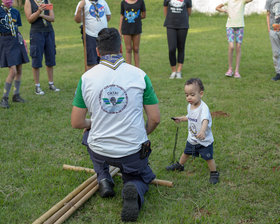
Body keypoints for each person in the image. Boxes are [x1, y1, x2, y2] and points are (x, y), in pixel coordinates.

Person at [71, 28, 160, 222]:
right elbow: (155, 118)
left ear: (97, 51)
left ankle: (103, 177)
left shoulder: (86, 78)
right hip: (132, 152)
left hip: (100, 151)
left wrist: (93, 123)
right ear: (120, 47)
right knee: (142, 177)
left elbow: (77, 122)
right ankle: (134, 188)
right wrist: (143, 133)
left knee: (88, 132)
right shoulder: (139, 75)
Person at [166, 78, 219, 185]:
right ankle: (180, 165)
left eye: (192, 95)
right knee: (186, 153)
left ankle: (214, 172)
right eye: (186, 95)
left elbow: (205, 120)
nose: (189, 97)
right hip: (192, 138)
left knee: (208, 158)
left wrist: (203, 131)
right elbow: (189, 117)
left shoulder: (204, 108)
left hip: (204, 140)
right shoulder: (190, 106)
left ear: (201, 94)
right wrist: (181, 118)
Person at [24, 0, 60, 95]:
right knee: (36, 59)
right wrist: (38, 11)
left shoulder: (47, 1)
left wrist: (42, 15)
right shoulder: (29, 1)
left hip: (49, 32)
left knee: (51, 58)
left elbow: (52, 18)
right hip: (36, 33)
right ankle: (37, 86)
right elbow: (29, 19)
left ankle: (51, 84)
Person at [0, 0, 29, 109]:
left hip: (16, 40)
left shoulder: (15, 12)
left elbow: (17, 27)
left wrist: (23, 42)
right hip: (5, 41)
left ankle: (16, 95)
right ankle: (4, 98)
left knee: (19, 69)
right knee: (13, 71)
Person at [216, 0, 253, 79]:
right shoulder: (228, 1)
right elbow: (217, 8)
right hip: (230, 26)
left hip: (240, 26)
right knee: (231, 46)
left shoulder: (242, 1)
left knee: (238, 47)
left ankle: (236, 71)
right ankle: (230, 69)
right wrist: (225, 10)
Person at [74, 0, 111, 70]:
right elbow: (77, 20)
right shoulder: (83, 3)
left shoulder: (103, 2)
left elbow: (108, 16)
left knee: (104, 60)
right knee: (91, 61)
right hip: (90, 35)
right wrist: (79, 8)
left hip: (103, 36)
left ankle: (103, 78)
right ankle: (92, 78)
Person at [163, 0, 192, 79]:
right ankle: (173, 71)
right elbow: (165, 10)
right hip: (170, 25)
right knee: (172, 48)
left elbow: (189, 12)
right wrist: (169, 20)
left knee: (181, 47)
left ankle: (179, 71)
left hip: (183, 26)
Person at [119, 0, 146, 68]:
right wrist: (120, 30)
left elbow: (144, 15)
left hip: (136, 28)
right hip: (126, 28)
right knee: (128, 49)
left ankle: (137, 68)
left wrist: (134, 18)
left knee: (136, 49)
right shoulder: (123, 3)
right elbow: (122, 16)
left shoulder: (141, 2)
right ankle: (129, 68)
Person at [265, 0, 280, 81]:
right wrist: (269, 29)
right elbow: (268, 14)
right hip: (273, 31)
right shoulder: (269, 1)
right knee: (276, 53)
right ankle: (278, 72)